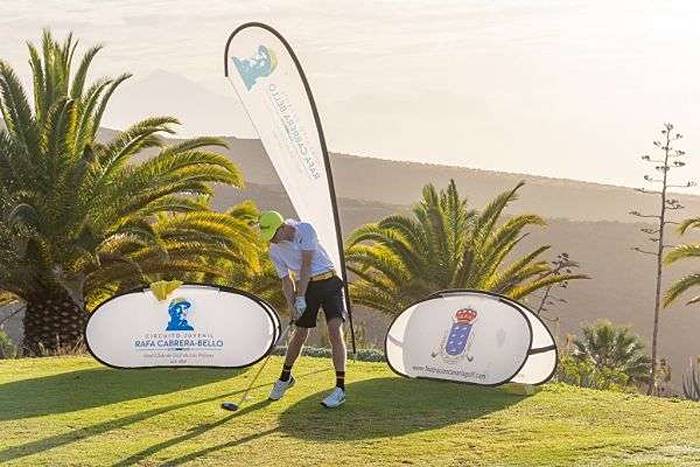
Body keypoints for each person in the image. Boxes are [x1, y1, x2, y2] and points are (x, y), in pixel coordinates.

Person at [258, 210, 347, 408]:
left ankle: (340, 389)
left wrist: (300, 298)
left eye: (273, 234)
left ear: (282, 228)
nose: (271, 240)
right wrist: (293, 305)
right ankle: (285, 378)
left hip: (329, 281)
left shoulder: (305, 230)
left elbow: (307, 266)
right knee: (300, 333)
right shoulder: (274, 250)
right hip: (306, 287)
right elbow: (285, 280)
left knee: (334, 329)